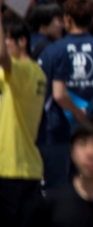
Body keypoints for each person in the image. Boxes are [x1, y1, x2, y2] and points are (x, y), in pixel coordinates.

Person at [36, 0, 93, 189]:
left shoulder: (52, 50)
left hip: (57, 125)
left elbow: (43, 91)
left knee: (58, 185)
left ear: (67, 18)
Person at [0, 13, 47, 227]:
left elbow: (2, 57)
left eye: (5, 37)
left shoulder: (25, 71)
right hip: (27, 167)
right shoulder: (29, 74)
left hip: (10, 169)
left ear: (22, 41)